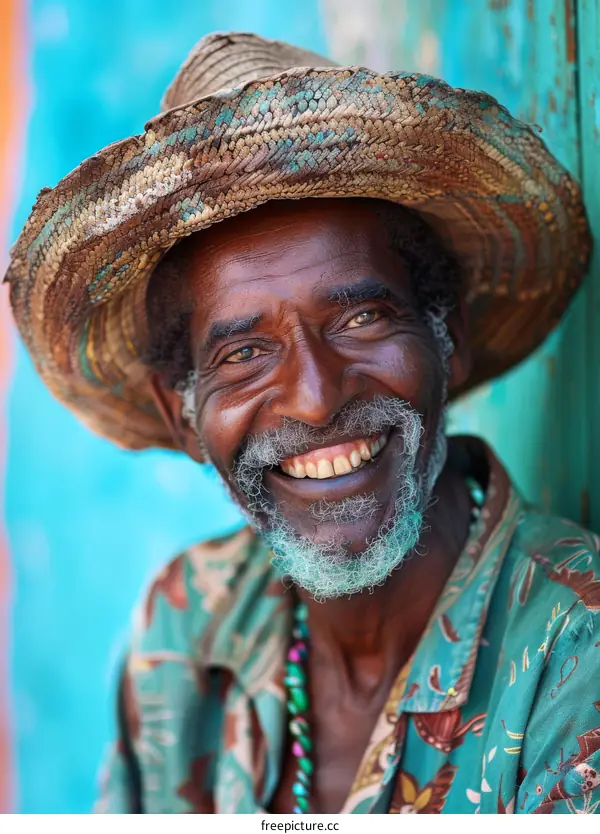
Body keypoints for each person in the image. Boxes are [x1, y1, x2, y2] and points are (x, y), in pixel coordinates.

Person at [5, 32, 599, 815]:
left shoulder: (576, 651)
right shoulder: (185, 626)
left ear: (446, 336)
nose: (316, 399)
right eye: (245, 353)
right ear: (179, 416)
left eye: (359, 318)